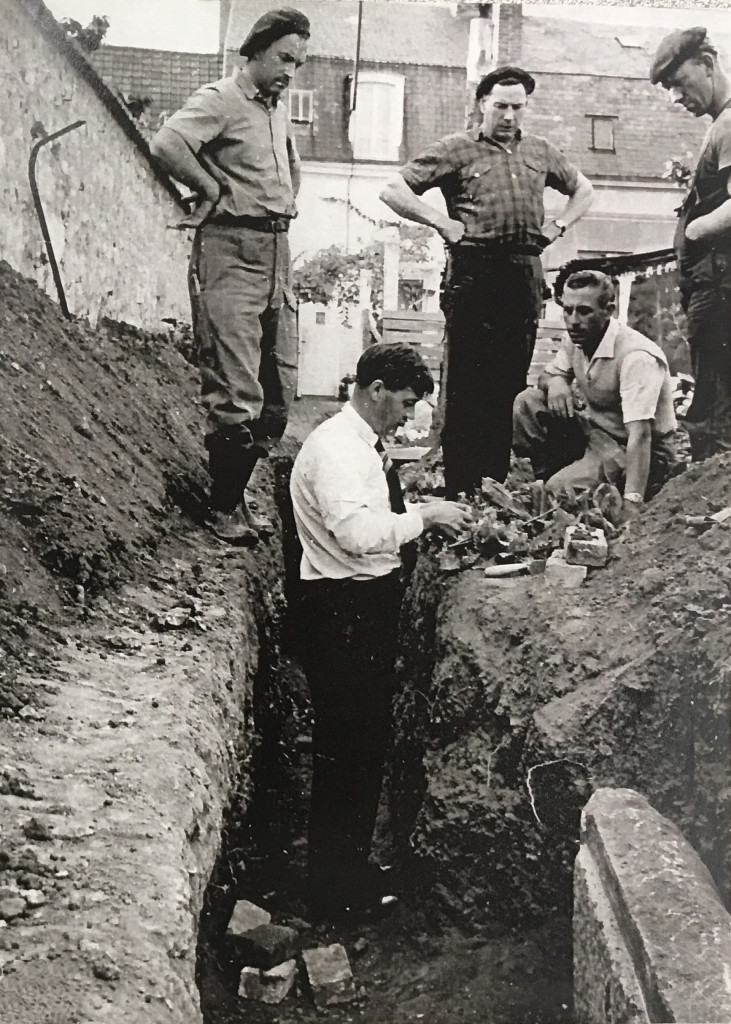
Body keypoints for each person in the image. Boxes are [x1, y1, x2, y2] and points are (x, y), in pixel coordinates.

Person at [290, 343, 471, 921]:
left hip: (352, 606)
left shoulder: (354, 444)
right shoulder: (340, 451)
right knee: (350, 752)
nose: (410, 415)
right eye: (407, 402)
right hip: (345, 611)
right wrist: (426, 517)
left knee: (358, 751)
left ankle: (345, 873)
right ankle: (337, 894)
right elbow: (355, 534)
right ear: (375, 390)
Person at [379, 66, 594, 500]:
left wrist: (560, 226)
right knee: (466, 387)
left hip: (523, 276)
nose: (510, 115)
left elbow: (583, 189)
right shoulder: (457, 149)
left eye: (518, 106)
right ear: (483, 104)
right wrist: (441, 221)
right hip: (474, 276)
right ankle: (461, 491)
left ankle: (491, 491)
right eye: (501, 106)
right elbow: (393, 189)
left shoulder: (540, 151)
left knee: (509, 387)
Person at [150, 9, 310, 543]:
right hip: (230, 252)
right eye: (285, 58)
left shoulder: (276, 110)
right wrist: (213, 189)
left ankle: (237, 499)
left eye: (299, 62)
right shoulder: (221, 98)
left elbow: (288, 171)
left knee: (278, 393)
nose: (292, 70)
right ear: (257, 50)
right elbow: (168, 144)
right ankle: (222, 509)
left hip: (276, 253)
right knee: (236, 389)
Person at [512, 271, 678, 516]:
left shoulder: (636, 356)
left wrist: (633, 503)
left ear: (609, 310)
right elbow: (546, 377)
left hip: (637, 449)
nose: (573, 320)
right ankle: (545, 480)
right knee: (527, 402)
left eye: (584, 311)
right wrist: (557, 382)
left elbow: (641, 435)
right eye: (567, 310)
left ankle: (565, 488)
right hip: (595, 433)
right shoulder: (579, 338)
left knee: (559, 492)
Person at [650, 27, 731, 459]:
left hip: (720, 289)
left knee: (715, 416)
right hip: (713, 287)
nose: (676, 98)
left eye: (680, 84)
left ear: (708, 65)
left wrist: (697, 230)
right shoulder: (720, 124)